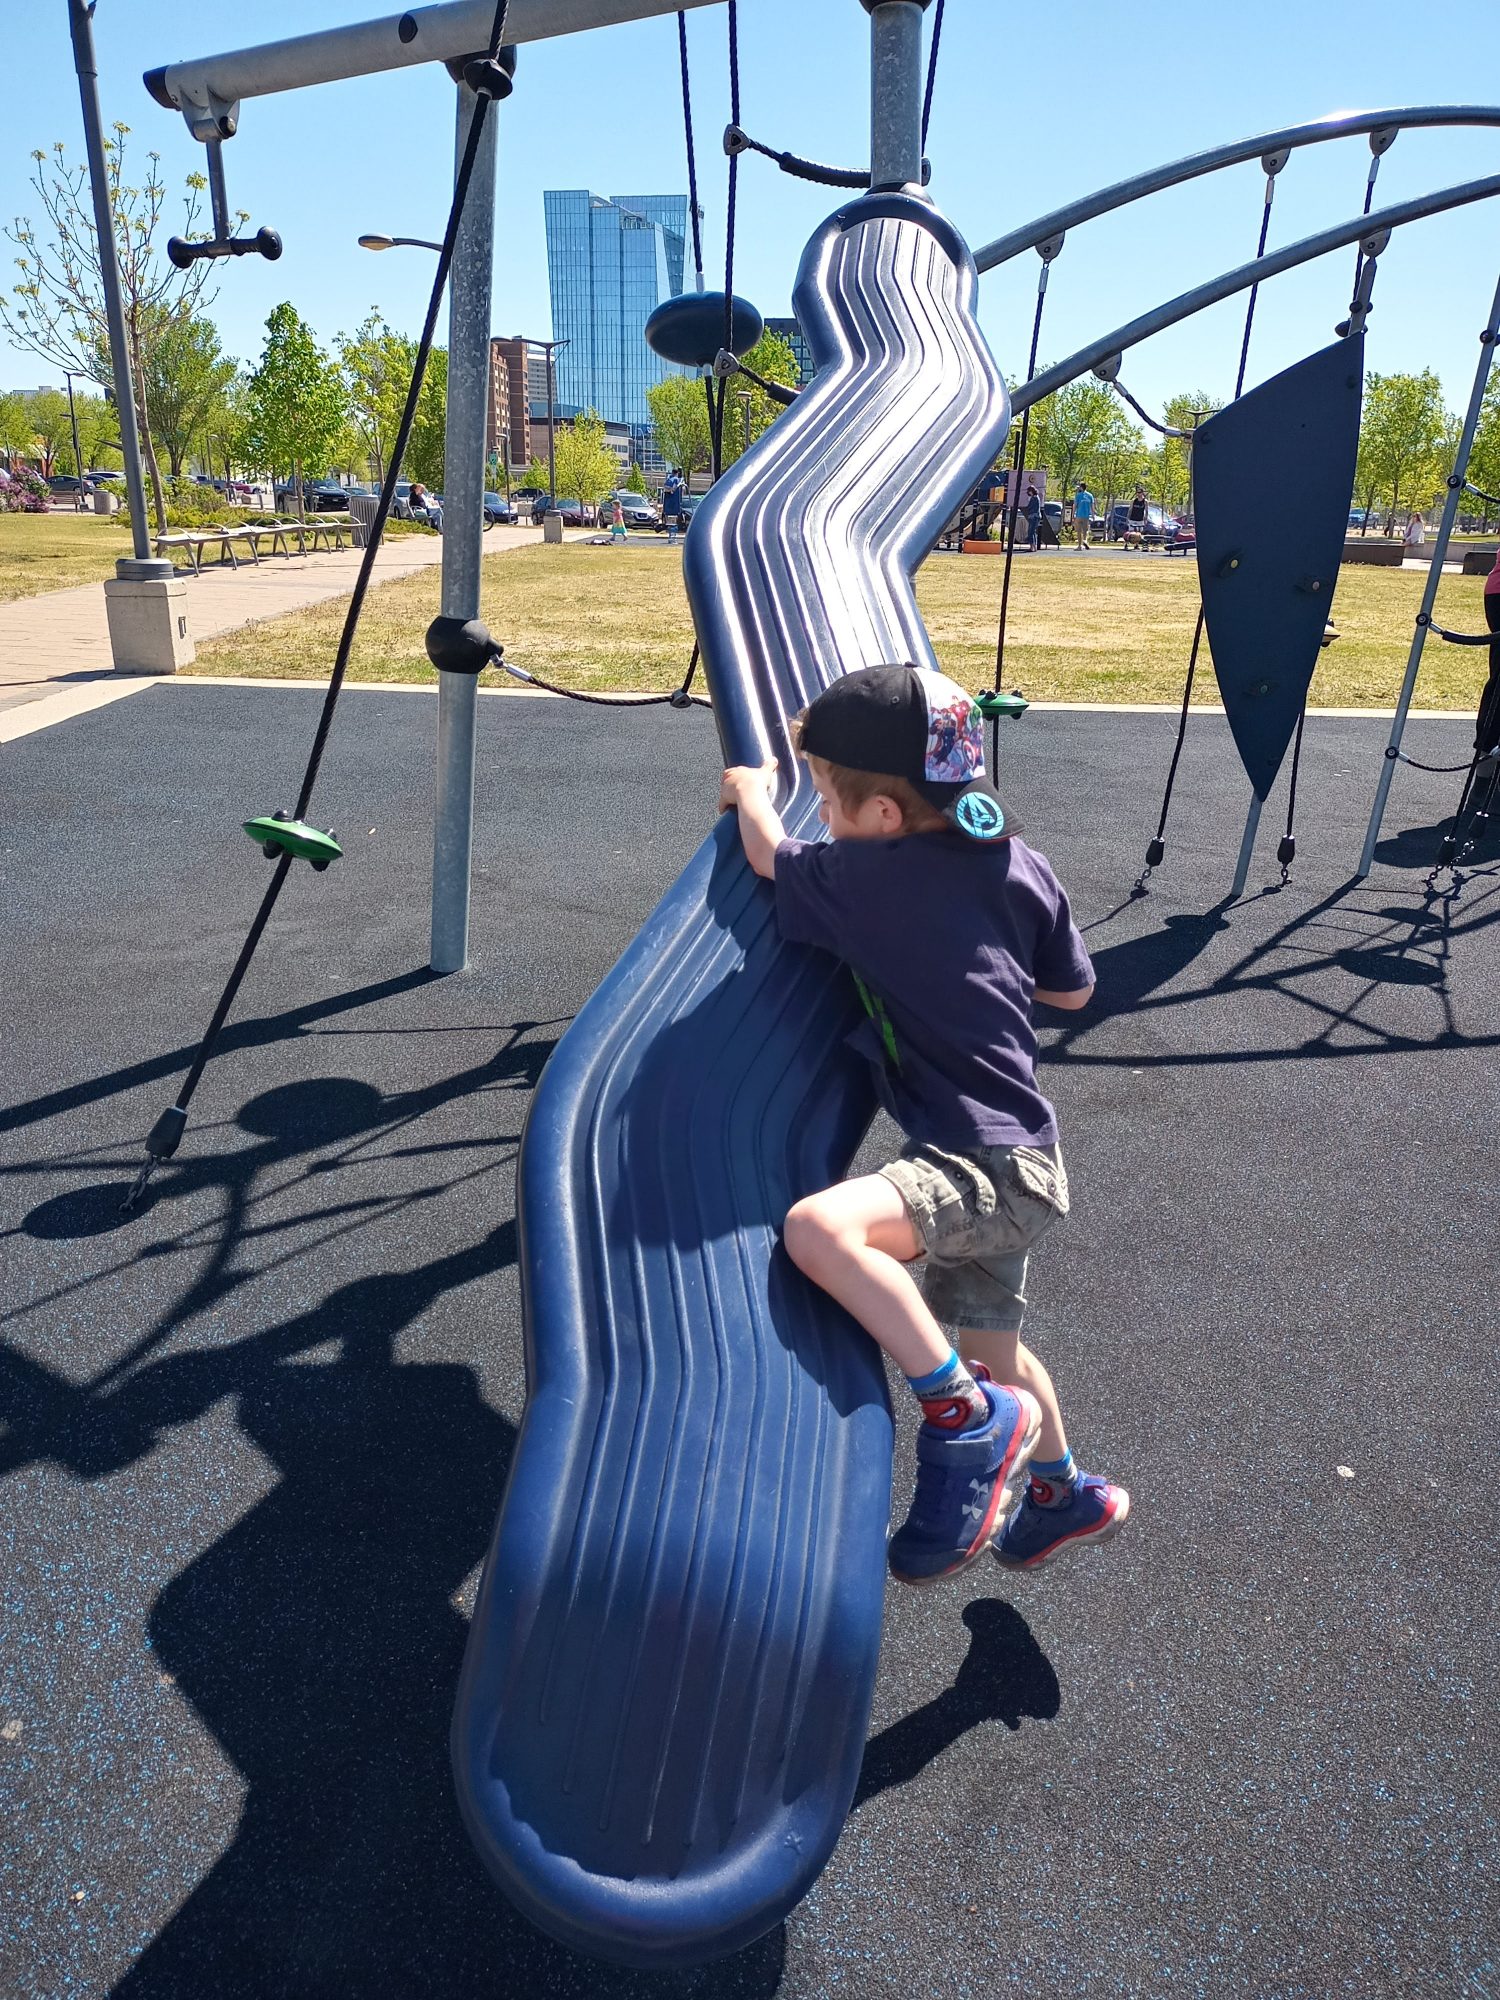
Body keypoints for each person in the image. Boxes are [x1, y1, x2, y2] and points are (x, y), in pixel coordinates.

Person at [717, 664, 1130, 1583]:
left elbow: (764, 855)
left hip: (976, 1163)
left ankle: (960, 1418)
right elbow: (1073, 990)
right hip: (1028, 1159)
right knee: (997, 1352)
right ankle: (1064, 1493)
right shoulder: (1015, 858)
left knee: (820, 1230)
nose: (819, 812)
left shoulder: (865, 876)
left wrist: (752, 788)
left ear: (886, 818)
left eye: (827, 796)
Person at [1073, 481, 1094, 551]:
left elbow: (1075, 505)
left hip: (1079, 515)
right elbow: (1092, 507)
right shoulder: (1090, 496)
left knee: (1079, 531)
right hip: (1086, 516)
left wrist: (1073, 514)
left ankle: (1079, 546)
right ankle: (1085, 540)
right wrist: (1093, 515)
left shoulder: (1078, 495)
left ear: (1081, 488)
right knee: (1085, 530)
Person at [1023, 481, 1042, 553]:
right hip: (1035, 516)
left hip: (1034, 516)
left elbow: (1031, 507)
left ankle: (1032, 546)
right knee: (1033, 532)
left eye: (1029, 491)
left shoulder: (1034, 498)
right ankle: (1034, 546)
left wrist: (1028, 507)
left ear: (1031, 491)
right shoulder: (1036, 497)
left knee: (1030, 532)